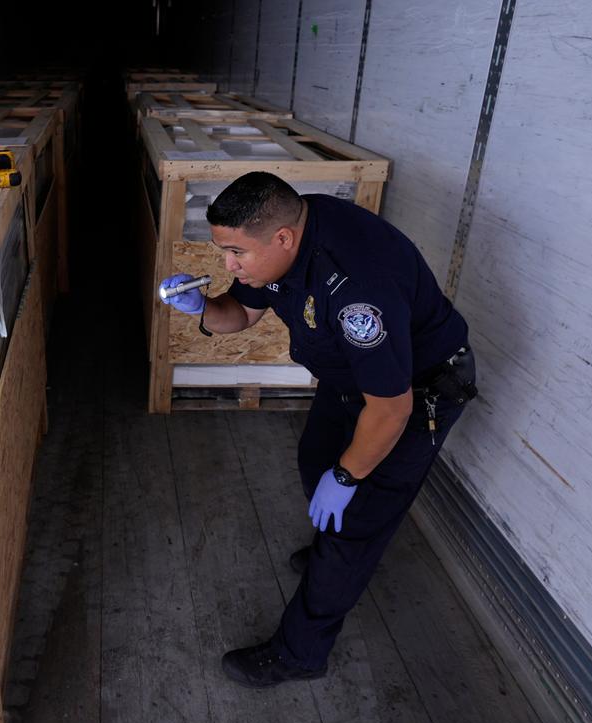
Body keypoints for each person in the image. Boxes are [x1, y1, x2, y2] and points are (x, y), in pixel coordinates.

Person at [159, 172, 476, 688]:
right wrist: (203, 308)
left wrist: (348, 477)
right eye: (224, 252)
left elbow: (392, 410)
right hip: (353, 379)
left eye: (237, 253)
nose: (228, 265)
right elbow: (239, 312)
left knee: (354, 522)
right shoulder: (286, 229)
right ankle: (335, 549)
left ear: (282, 239)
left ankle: (301, 653)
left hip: (413, 394)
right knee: (315, 462)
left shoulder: (357, 289)